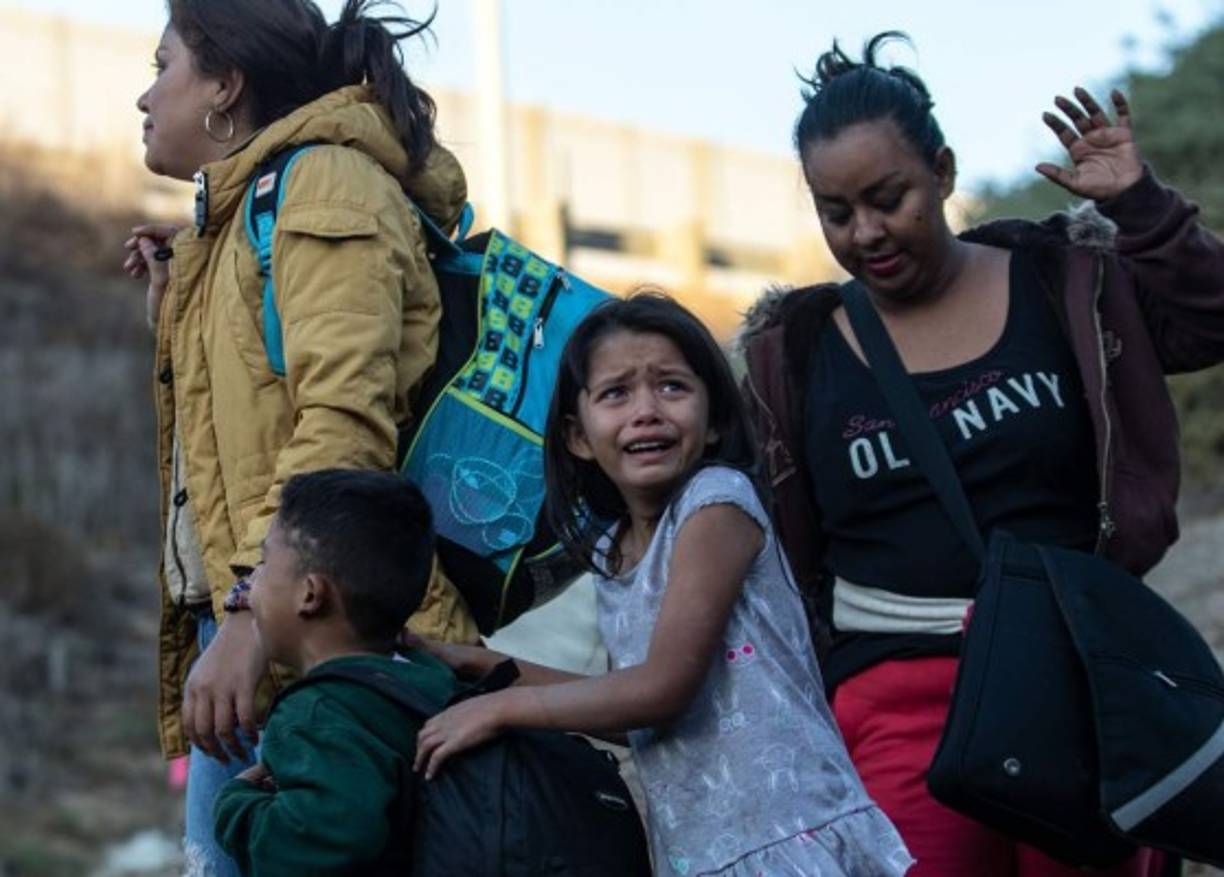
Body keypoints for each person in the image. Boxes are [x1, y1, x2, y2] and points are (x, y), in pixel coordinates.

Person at [738, 31, 1224, 877]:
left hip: (1077, 678)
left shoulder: (1062, 281)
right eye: (836, 211)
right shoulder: (796, 351)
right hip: (894, 702)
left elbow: (1211, 317)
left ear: (945, 172)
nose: (867, 231)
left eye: (889, 197)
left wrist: (1143, 209)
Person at [121, 2, 478, 872]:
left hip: (320, 641)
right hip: (274, 626)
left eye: (163, 64)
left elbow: (344, 423)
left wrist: (248, 617)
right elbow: (245, 433)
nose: (143, 95)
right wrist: (179, 296)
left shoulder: (324, 185)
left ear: (225, 86)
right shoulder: (234, 227)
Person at [411, 293, 914, 877]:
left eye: (671, 386)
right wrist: (480, 664)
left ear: (716, 421)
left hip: (788, 836)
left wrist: (504, 707)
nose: (646, 410)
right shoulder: (611, 551)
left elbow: (662, 689)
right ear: (577, 435)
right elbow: (635, 710)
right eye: (615, 393)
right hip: (705, 856)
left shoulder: (716, 504)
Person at [213, 468, 455, 874]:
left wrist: (237, 805)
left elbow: (316, 849)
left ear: (310, 594)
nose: (252, 583)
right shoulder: (426, 676)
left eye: (264, 562)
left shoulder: (316, 714)